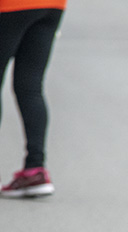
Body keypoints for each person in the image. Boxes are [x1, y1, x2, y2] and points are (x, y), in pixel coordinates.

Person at [0, 0, 66, 197]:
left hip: (9, 6)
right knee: (30, 87)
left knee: (29, 87)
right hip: (52, 5)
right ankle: (35, 169)